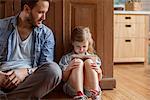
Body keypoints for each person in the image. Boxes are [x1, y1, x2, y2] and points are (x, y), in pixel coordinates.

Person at [0, 0, 62, 99]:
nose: (44, 18)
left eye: (45, 13)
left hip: (28, 82)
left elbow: (45, 65)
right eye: (40, 12)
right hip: (2, 78)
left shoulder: (46, 34)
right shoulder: (1, 27)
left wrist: (25, 72)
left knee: (54, 70)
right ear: (27, 9)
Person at [59, 26, 102, 100]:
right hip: (73, 90)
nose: (81, 49)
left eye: (84, 46)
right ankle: (80, 95)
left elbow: (99, 78)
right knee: (78, 62)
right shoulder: (67, 58)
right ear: (73, 43)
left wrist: (99, 71)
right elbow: (64, 79)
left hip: (89, 89)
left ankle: (95, 93)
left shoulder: (94, 58)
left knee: (89, 62)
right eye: (78, 46)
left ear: (89, 44)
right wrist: (69, 68)